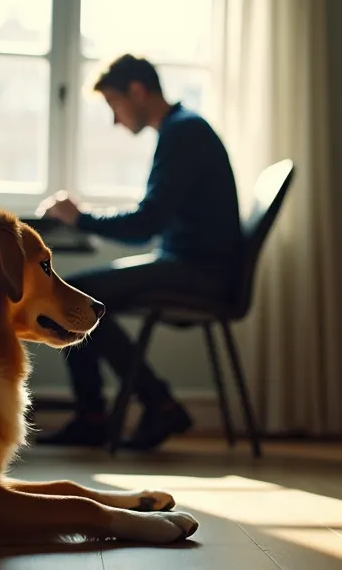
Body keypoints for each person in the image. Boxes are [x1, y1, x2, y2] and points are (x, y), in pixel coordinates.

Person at [35, 54, 243, 451]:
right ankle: (141, 406)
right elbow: (150, 223)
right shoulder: (183, 130)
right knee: (84, 299)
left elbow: (144, 225)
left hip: (199, 271)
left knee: (76, 296)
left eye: (114, 104)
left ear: (137, 91)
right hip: (191, 263)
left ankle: (116, 412)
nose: (114, 119)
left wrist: (80, 219)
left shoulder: (183, 133)